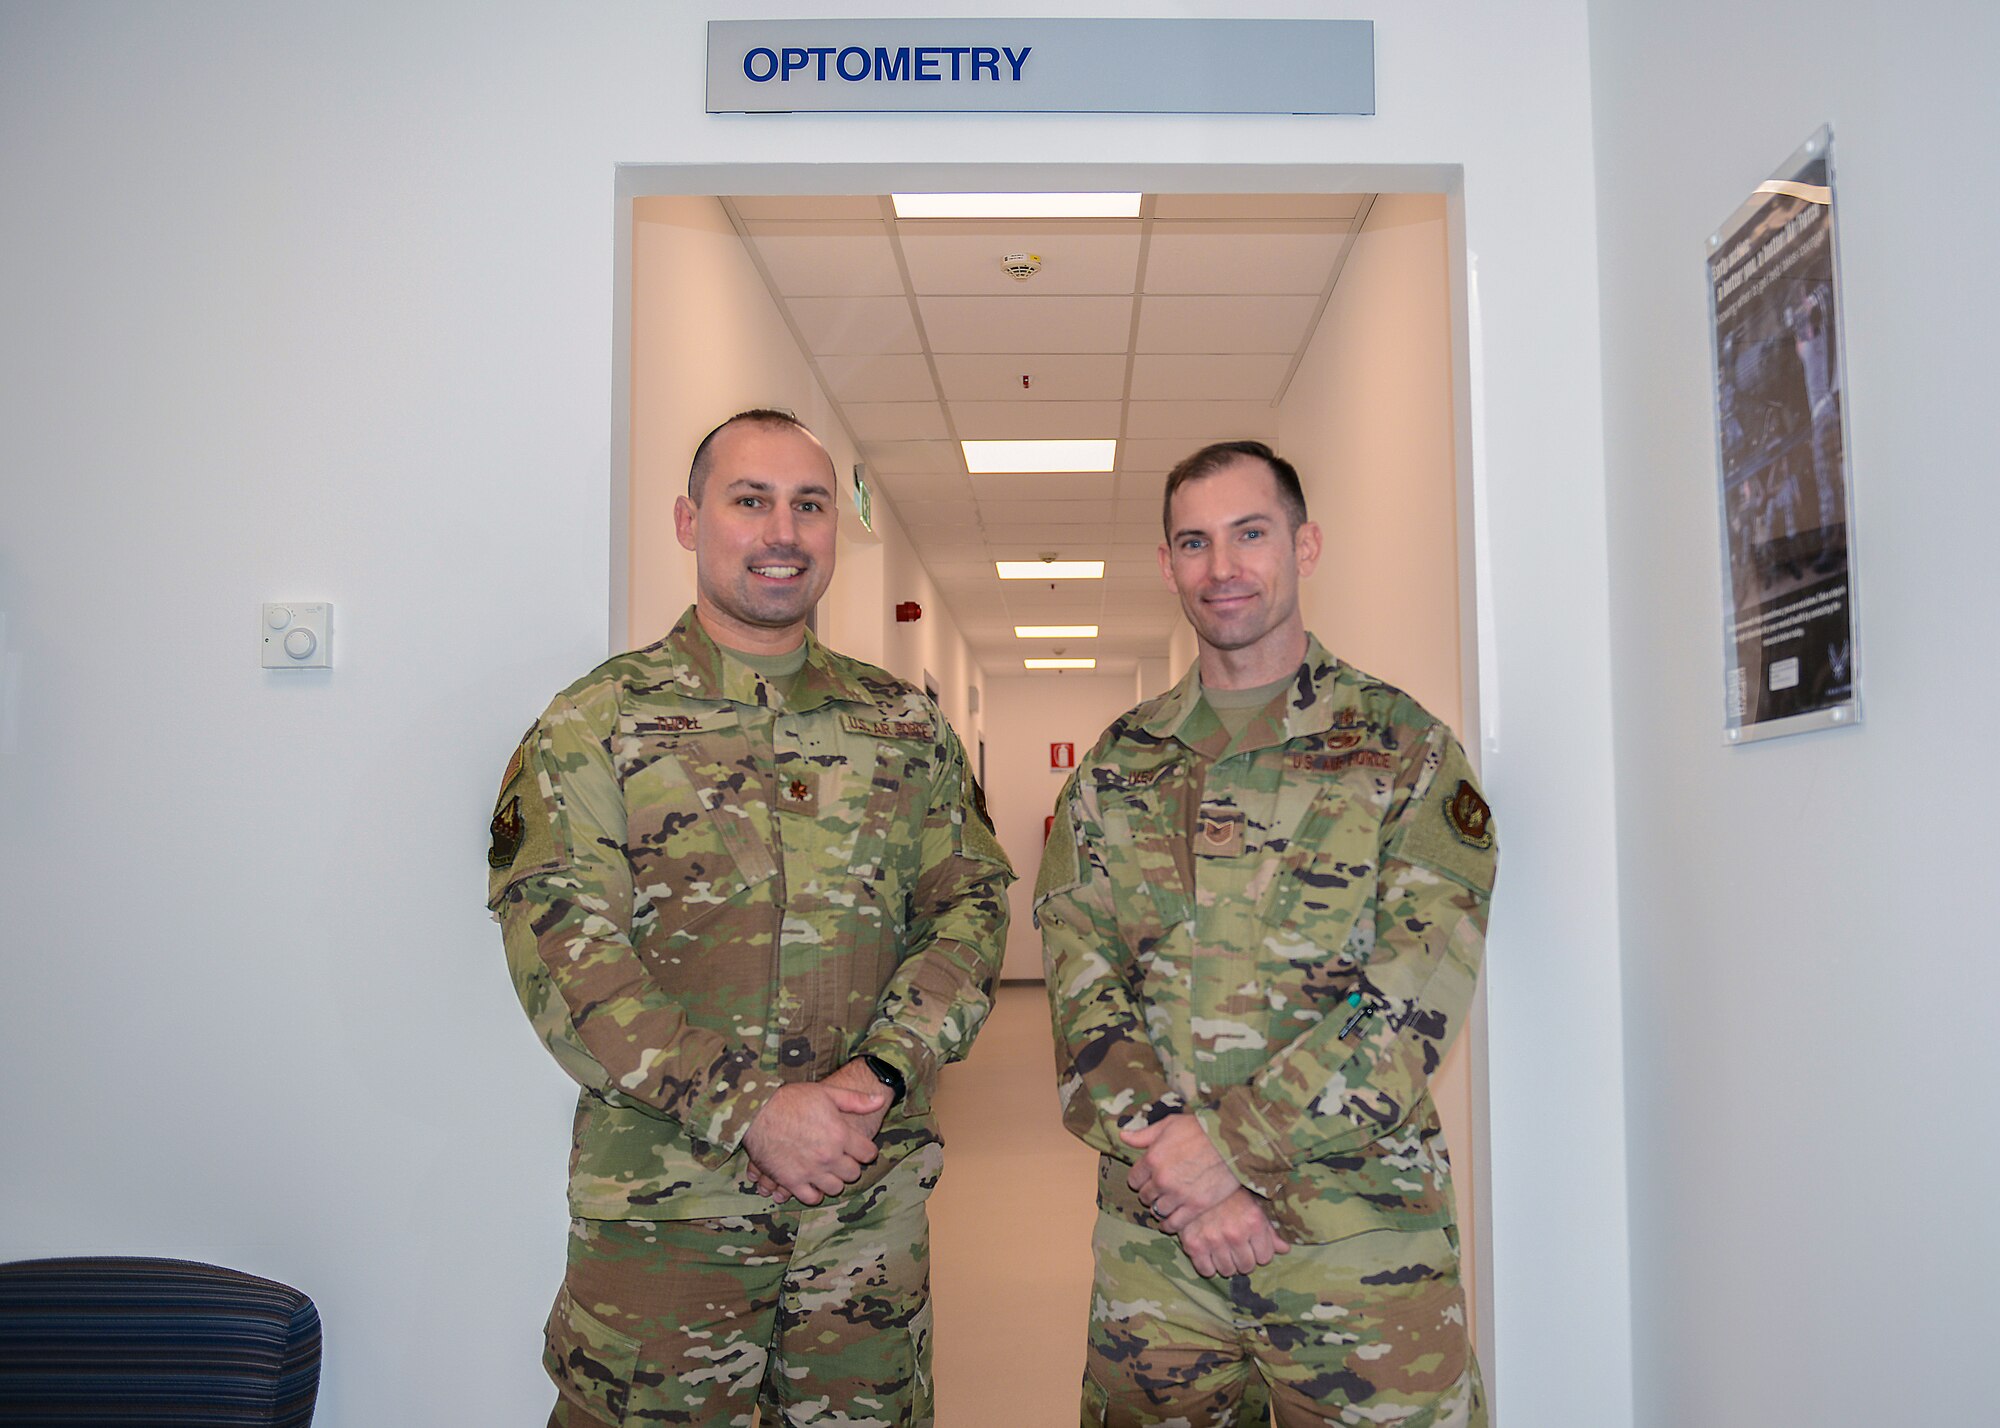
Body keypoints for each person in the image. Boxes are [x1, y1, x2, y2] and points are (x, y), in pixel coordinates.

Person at [487, 409, 1013, 1427]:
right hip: (668, 1226)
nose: (782, 530)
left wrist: (879, 1076)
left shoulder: (900, 726)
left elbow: (971, 907)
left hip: (863, 1221)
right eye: (749, 501)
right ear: (689, 522)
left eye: (809, 505)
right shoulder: (595, 726)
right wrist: (753, 1111)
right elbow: (566, 960)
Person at [1035, 441, 1496, 1427]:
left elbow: (1410, 1002)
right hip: (1156, 1262)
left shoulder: (1404, 753)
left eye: (1249, 534)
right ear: (1166, 565)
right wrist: (1181, 1170)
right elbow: (1081, 988)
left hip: (1356, 1249)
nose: (1221, 567)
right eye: (1193, 543)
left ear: (1303, 544)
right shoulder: (1118, 767)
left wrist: (1227, 1156)